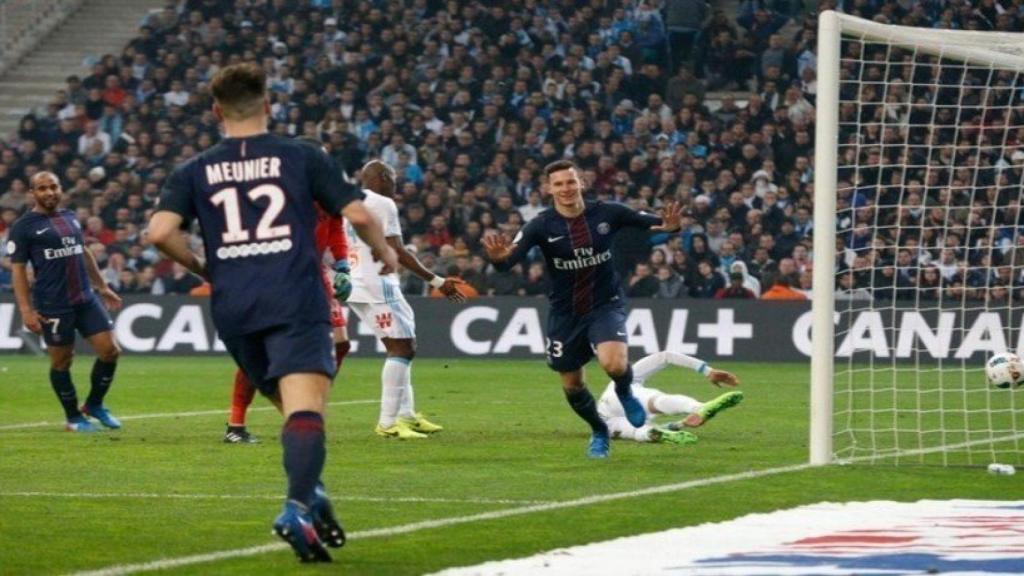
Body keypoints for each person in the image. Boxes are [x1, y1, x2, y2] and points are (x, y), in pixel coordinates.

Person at [147, 63, 397, 563]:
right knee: (306, 410)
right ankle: (297, 506)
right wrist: (385, 254)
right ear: (268, 105)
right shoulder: (301, 155)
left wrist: (203, 267)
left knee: (291, 413)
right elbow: (359, 214)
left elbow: (158, 233)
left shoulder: (194, 169)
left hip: (234, 305)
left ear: (216, 112)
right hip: (294, 296)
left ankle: (314, 492)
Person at [483, 159, 682, 459]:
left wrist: (671, 227)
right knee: (573, 385)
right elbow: (507, 262)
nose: (566, 188)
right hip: (565, 313)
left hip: (605, 304)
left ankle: (625, 392)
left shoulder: (608, 212)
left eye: (570, 182)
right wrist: (498, 258)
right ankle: (600, 430)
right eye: (559, 184)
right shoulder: (540, 225)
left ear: (582, 183)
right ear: (549, 189)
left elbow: (655, 223)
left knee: (614, 364)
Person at [223, 137, 354, 445]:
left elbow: (335, 228)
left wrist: (344, 265)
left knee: (341, 343)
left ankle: (306, 402)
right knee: (258, 353)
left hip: (313, 273)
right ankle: (236, 424)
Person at [347, 160, 465, 439]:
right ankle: (388, 423)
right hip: (378, 282)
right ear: (384, 177)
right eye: (394, 178)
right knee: (402, 348)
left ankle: (406, 415)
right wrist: (436, 281)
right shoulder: (382, 203)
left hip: (355, 283)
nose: (396, 184)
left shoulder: (348, 201)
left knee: (401, 344)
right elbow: (397, 250)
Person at [8, 171, 124, 432]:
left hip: (85, 297)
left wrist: (102, 286)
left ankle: (94, 405)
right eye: (42, 188)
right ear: (32, 193)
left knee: (110, 351)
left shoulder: (70, 217)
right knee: (62, 361)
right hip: (53, 305)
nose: (49, 192)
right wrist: (26, 310)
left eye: (53, 187)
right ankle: (73, 417)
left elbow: (83, 252)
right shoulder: (23, 227)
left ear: (60, 188)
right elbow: (18, 271)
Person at [598, 351, 743, 444]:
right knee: (655, 402)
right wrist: (707, 370)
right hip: (616, 401)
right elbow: (665, 356)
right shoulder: (628, 376)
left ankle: (652, 435)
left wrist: (680, 425)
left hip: (606, 421)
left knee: (638, 431)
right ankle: (698, 407)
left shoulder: (624, 379)